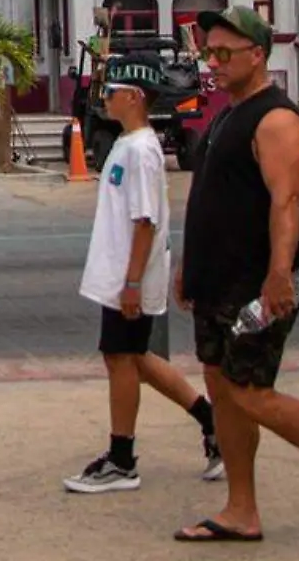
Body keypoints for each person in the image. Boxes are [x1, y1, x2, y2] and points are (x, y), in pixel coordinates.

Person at [173, 7, 299, 545]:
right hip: (215, 281)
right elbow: (210, 198)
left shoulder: (278, 119)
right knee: (223, 390)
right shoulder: (226, 114)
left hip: (257, 285)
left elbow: (286, 203)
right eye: (208, 53)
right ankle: (242, 510)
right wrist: (186, 268)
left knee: (250, 391)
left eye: (223, 54)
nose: (212, 64)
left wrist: (280, 275)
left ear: (258, 54)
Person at [62, 59, 222, 494]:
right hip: (118, 275)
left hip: (127, 279)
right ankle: (213, 423)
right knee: (135, 359)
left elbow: (146, 221)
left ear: (133, 97)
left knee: (121, 359)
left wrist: (132, 282)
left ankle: (122, 457)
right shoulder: (125, 143)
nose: (104, 97)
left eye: (111, 91)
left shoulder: (142, 152)